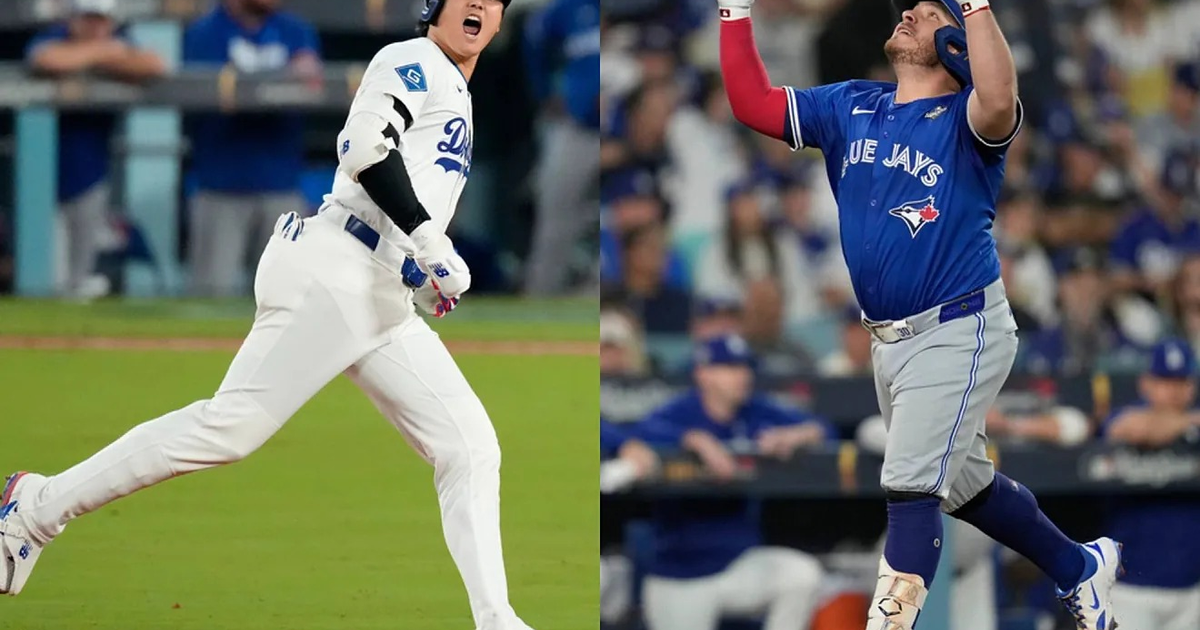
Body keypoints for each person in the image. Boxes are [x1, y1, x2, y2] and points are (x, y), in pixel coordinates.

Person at [1, 2, 539, 629]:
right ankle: (35, 508)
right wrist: (429, 241)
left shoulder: (458, 91)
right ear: (432, 8)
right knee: (227, 428)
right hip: (335, 271)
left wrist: (416, 267)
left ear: (500, 21)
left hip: (377, 290)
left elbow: (398, 196)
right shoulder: (412, 57)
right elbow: (365, 147)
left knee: (469, 448)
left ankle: (497, 620)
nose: (477, 5)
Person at [715, 0, 1123, 628]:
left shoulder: (968, 118)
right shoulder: (852, 104)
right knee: (964, 488)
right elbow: (752, 102)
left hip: (959, 323)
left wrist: (977, 7)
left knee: (909, 487)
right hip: (890, 340)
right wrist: (733, 10)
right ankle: (1078, 568)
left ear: (959, 43)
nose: (907, 13)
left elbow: (999, 92)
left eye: (930, 13)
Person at [632, 334, 828, 630]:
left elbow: (822, 427)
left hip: (739, 565)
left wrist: (795, 436)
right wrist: (694, 440)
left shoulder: (754, 409)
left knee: (801, 575)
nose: (742, 376)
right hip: (682, 575)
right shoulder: (681, 412)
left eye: (744, 367)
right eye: (729, 368)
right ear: (703, 373)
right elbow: (639, 431)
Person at [25, 0, 168, 298]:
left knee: (78, 281)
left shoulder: (122, 40)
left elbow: (155, 64)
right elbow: (47, 60)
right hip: (38, 177)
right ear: (74, 19)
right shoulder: (55, 36)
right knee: (41, 280)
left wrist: (93, 56)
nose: (95, 27)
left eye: (101, 20)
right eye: (89, 19)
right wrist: (103, 52)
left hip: (90, 173)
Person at [183, 0, 323, 297]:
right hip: (220, 186)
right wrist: (285, 77)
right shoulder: (205, 31)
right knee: (210, 296)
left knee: (285, 299)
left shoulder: (295, 30)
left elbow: (312, 87)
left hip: (282, 184)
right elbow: (217, 97)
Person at [1102, 338, 1200, 630]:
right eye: (1163, 381)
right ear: (1145, 383)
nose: (1171, 392)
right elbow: (1133, 430)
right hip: (1130, 591)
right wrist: (1188, 422)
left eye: (1180, 382)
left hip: (1190, 591)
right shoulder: (1126, 416)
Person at [522, 0, 602, 295]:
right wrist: (544, 94)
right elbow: (533, 41)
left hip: (624, 133)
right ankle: (538, 299)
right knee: (555, 219)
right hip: (576, 129)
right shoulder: (567, 9)